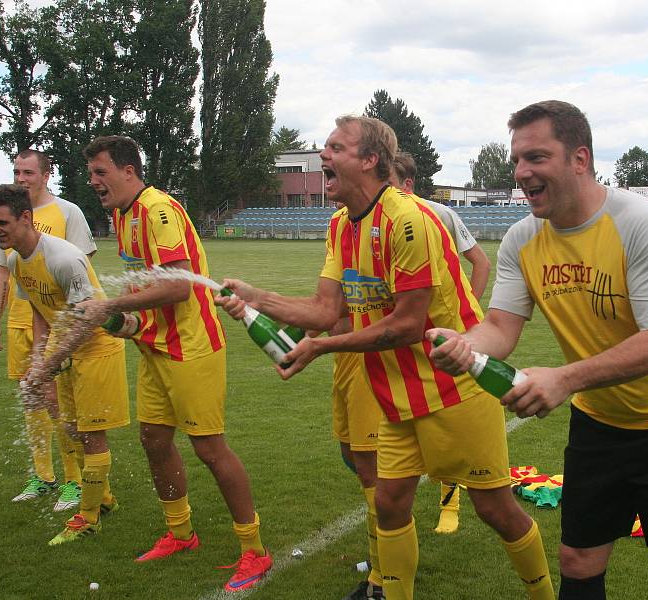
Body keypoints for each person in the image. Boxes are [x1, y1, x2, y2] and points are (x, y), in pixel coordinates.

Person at [216, 115, 554, 600]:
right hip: (394, 398)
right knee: (391, 505)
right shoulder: (340, 226)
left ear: (370, 160)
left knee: (495, 509)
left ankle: (543, 595)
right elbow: (324, 309)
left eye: (335, 148)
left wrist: (321, 346)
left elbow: (405, 326)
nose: (322, 156)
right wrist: (255, 297)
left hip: (452, 389)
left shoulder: (410, 220)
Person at [428, 100, 648, 600]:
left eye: (536, 157)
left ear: (579, 159)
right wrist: (465, 346)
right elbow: (501, 327)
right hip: (602, 423)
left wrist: (565, 378)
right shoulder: (522, 239)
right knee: (578, 557)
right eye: (517, 161)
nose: (521, 172)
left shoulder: (640, 223)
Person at [74, 135, 271, 592]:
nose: (94, 182)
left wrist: (108, 306)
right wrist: (124, 317)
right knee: (154, 440)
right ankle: (181, 533)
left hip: (191, 346)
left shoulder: (157, 210)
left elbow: (179, 287)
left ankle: (254, 551)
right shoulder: (122, 215)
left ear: (128, 170)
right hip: (155, 346)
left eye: (100, 172)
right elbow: (146, 288)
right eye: (91, 175)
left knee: (209, 449)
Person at [0, 183, 129, 546]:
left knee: (92, 435)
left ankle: (89, 517)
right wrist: (39, 356)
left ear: (26, 218)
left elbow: (87, 320)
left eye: (2, 222)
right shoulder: (17, 258)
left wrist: (51, 362)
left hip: (96, 349)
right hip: (66, 349)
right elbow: (38, 307)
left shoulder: (65, 258)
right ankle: (104, 498)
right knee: (71, 428)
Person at [0, 149, 95, 512]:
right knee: (31, 398)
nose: (21, 178)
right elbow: (4, 271)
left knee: (58, 403)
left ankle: (74, 480)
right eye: (16, 171)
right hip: (23, 319)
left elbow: (78, 269)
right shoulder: (5, 216)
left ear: (46, 175)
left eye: (28, 171)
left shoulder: (67, 213)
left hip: (60, 322)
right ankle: (41, 475)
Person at [393, 151, 491, 535]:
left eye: (390, 182)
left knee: (447, 421)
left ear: (408, 184)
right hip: (403, 335)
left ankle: (449, 505)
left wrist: (468, 318)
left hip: (441, 337)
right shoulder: (373, 218)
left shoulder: (439, 214)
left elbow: (480, 262)